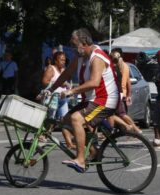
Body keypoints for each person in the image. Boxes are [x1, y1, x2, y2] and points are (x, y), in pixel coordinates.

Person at [47, 28, 119, 173]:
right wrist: (50, 89)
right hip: (92, 100)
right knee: (65, 121)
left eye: (74, 44)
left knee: (75, 119)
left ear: (84, 42)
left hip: (105, 101)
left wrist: (71, 91)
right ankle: (93, 151)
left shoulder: (96, 57)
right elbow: (66, 73)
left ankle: (80, 160)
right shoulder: (80, 57)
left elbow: (94, 82)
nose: (72, 48)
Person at [41, 51, 75, 149]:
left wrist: (68, 88)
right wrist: (59, 83)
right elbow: (44, 82)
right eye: (61, 60)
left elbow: (66, 83)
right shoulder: (51, 68)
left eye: (64, 60)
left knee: (66, 120)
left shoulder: (64, 70)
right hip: (52, 98)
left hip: (63, 99)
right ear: (55, 60)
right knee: (50, 120)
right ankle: (43, 135)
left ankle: (69, 143)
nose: (63, 62)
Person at [108, 49, 142, 134]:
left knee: (119, 114)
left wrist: (128, 94)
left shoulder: (114, 68)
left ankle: (133, 127)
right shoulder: (124, 66)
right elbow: (128, 81)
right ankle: (112, 131)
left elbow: (126, 82)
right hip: (120, 93)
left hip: (116, 93)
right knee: (113, 114)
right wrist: (128, 94)